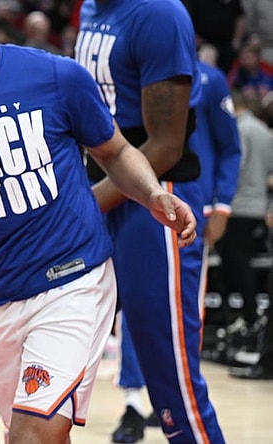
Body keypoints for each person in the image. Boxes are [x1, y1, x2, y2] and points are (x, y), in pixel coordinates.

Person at [0, 0, 197, 442]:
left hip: (74, 280)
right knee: (26, 434)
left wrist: (152, 192)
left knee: (32, 436)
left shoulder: (56, 76)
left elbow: (115, 152)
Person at [75, 1, 226, 442]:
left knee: (170, 371)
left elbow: (166, 145)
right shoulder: (91, 10)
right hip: (106, 193)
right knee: (122, 352)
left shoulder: (159, 13)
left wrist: (79, 208)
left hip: (159, 197)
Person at [109, 59, 242, 443]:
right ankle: (135, 401)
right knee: (134, 311)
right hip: (136, 197)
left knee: (181, 318)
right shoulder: (126, 73)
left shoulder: (210, 78)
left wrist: (221, 206)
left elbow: (229, 148)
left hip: (187, 201)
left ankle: (178, 400)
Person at [221, 89, 273, 379]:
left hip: (239, 205)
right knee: (249, 266)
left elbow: (235, 167)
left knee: (236, 266)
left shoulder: (239, 129)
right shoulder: (266, 132)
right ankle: (252, 317)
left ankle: (247, 317)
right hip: (261, 206)